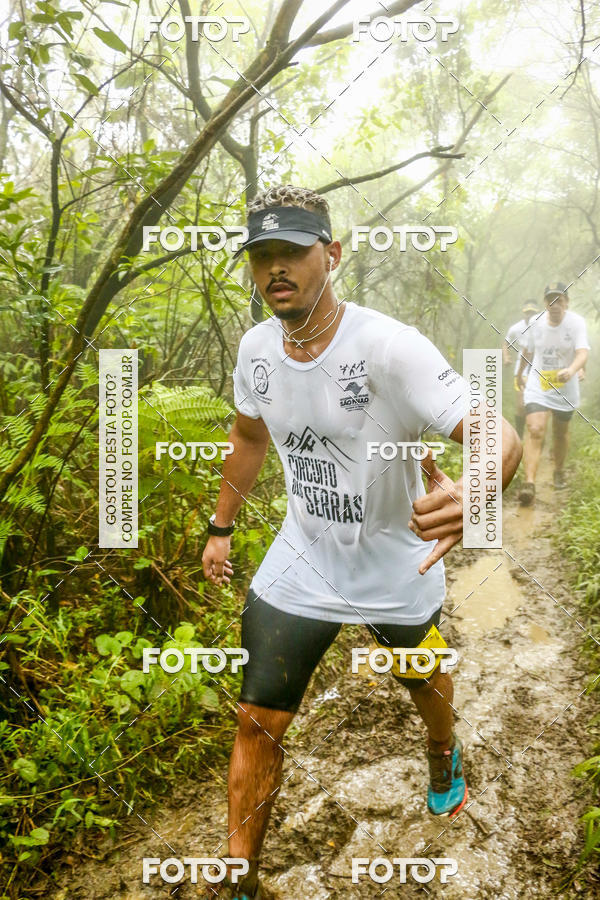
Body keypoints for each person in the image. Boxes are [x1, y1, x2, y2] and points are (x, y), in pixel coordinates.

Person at [201, 185, 522, 899]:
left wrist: (473, 493)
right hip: (303, 555)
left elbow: (495, 431)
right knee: (258, 717)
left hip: (395, 557)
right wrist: (221, 528)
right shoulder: (257, 349)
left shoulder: (388, 346)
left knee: (424, 678)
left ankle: (443, 751)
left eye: (292, 252)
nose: (275, 269)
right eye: (262, 256)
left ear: (332, 256)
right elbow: (249, 439)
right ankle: (239, 882)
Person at [517, 282, 589, 505]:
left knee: (560, 432)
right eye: (550, 300)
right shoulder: (535, 323)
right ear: (545, 303)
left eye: (559, 300)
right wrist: (519, 374)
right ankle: (529, 483)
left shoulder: (576, 323)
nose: (555, 304)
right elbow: (528, 351)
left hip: (565, 384)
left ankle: (558, 470)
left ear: (566, 303)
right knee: (535, 428)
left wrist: (573, 369)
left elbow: (582, 352)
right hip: (539, 382)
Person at [503, 302, 538, 438]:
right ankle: (519, 435)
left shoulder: (543, 326)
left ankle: (535, 434)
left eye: (533, 313)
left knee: (537, 404)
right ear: (524, 313)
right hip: (521, 368)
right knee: (521, 404)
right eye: (528, 312)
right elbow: (506, 343)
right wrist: (506, 357)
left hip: (540, 368)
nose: (530, 315)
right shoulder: (516, 328)